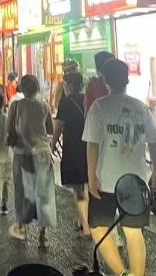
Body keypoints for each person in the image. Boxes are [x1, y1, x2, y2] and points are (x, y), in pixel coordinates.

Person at [83, 58, 156, 276]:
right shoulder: (141, 108)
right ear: (126, 80)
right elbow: (153, 143)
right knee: (134, 231)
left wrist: (91, 176)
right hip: (135, 180)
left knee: (98, 227)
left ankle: (122, 273)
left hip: (105, 179)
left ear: (105, 80)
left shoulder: (99, 107)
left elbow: (92, 146)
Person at [7, 74, 57, 246]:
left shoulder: (15, 106)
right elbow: (50, 129)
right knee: (43, 192)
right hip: (42, 153)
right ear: (37, 88)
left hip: (22, 153)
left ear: (22, 88)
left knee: (22, 191)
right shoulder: (44, 105)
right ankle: (43, 234)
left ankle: (22, 227)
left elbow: (9, 129)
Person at [53, 69, 90, 236]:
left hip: (73, 147)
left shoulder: (66, 102)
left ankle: (85, 224)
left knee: (77, 188)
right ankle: (84, 219)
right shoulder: (87, 100)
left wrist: (52, 144)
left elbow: (58, 127)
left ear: (70, 85)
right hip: (88, 147)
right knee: (87, 184)